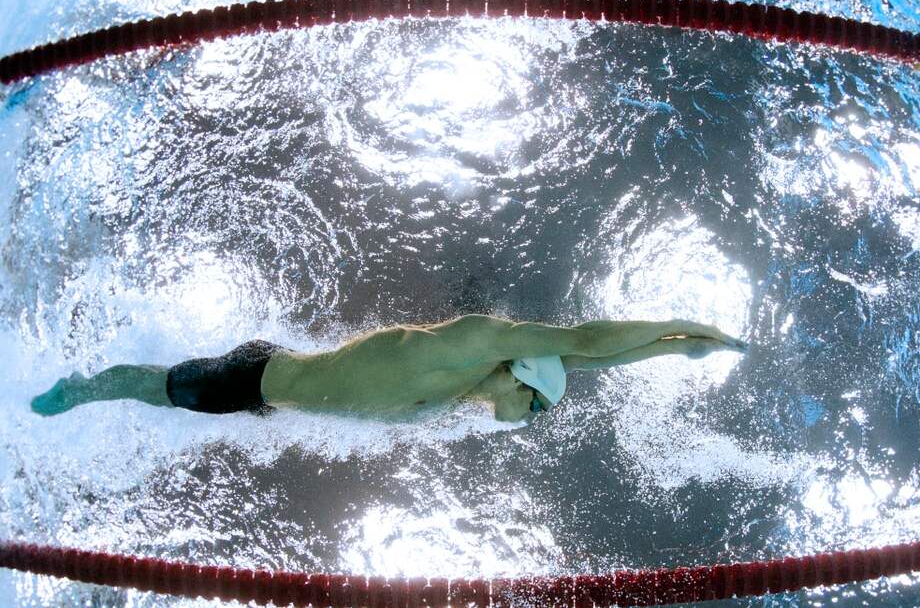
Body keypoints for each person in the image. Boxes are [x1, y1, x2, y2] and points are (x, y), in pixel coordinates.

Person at [30, 314, 747, 422]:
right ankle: (77, 388)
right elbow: (585, 339)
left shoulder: (475, 386)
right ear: (520, 381)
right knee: (149, 389)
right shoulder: (467, 348)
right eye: (536, 407)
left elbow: (586, 363)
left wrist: (679, 349)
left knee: (157, 393)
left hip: (274, 392)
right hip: (254, 380)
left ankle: (87, 388)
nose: (531, 419)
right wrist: (682, 322)